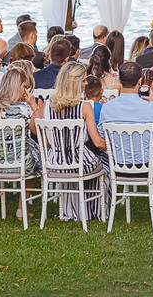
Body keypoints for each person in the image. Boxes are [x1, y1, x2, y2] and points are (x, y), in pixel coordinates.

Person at [98, 62, 153, 204]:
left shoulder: (107, 108)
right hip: (148, 166)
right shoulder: (151, 107)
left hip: (117, 165)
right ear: (140, 81)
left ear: (119, 80)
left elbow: (102, 135)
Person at [44, 60, 109, 221]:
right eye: (83, 80)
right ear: (75, 82)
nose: (86, 84)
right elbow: (97, 142)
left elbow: (49, 141)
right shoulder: (85, 107)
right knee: (105, 163)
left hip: (55, 162)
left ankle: (74, 209)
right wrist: (115, 146)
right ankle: (94, 210)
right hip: (80, 161)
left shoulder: (48, 105)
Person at [0, 66, 42, 186]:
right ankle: (24, 198)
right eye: (24, 87)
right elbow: (40, 132)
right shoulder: (24, 110)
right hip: (22, 165)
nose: (26, 91)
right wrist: (34, 105)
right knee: (35, 150)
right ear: (16, 87)